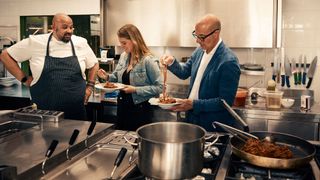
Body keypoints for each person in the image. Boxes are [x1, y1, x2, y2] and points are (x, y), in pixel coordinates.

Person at [0, 13, 99, 120]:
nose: (69, 31)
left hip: (76, 112)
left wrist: (90, 87)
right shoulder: (35, 42)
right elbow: (5, 56)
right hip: (44, 114)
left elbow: (94, 64)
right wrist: (24, 79)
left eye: (71, 27)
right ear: (53, 28)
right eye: (65, 27)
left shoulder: (80, 42)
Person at [161, 14, 241, 132]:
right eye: (196, 35)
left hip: (212, 125)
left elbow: (224, 102)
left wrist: (194, 104)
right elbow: (184, 72)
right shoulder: (200, 51)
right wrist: (171, 62)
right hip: (192, 119)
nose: (198, 41)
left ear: (215, 34)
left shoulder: (228, 61)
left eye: (202, 37)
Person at [97, 24, 162, 131]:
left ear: (134, 40)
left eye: (124, 43)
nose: (122, 46)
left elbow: (159, 87)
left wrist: (135, 89)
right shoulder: (124, 56)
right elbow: (116, 77)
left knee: (136, 142)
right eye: (120, 43)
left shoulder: (148, 60)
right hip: (122, 106)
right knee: (122, 138)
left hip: (141, 109)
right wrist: (107, 77)